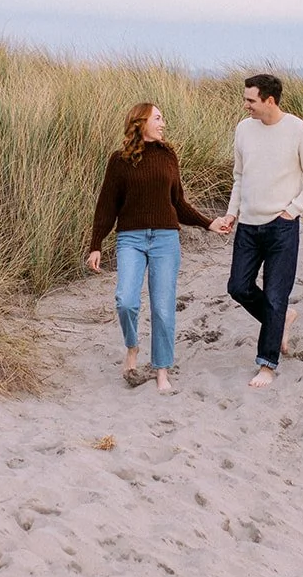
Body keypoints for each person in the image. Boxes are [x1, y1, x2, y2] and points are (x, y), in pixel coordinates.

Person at [87, 102, 216, 394]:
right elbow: (107, 206)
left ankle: (161, 369)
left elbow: (178, 203)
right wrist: (96, 244)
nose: (163, 123)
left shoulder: (168, 155)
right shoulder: (119, 160)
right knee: (126, 301)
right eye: (158, 118)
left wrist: (208, 223)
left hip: (165, 239)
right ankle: (132, 347)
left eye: (163, 118)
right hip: (130, 239)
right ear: (140, 122)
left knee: (162, 308)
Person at [210, 73, 303, 389]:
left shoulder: (298, 131)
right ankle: (282, 320)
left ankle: (267, 364)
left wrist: (292, 210)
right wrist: (232, 213)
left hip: (281, 227)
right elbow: (239, 176)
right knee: (238, 286)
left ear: (269, 101)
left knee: (276, 295)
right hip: (248, 225)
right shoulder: (243, 130)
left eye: (251, 100)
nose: (245, 105)